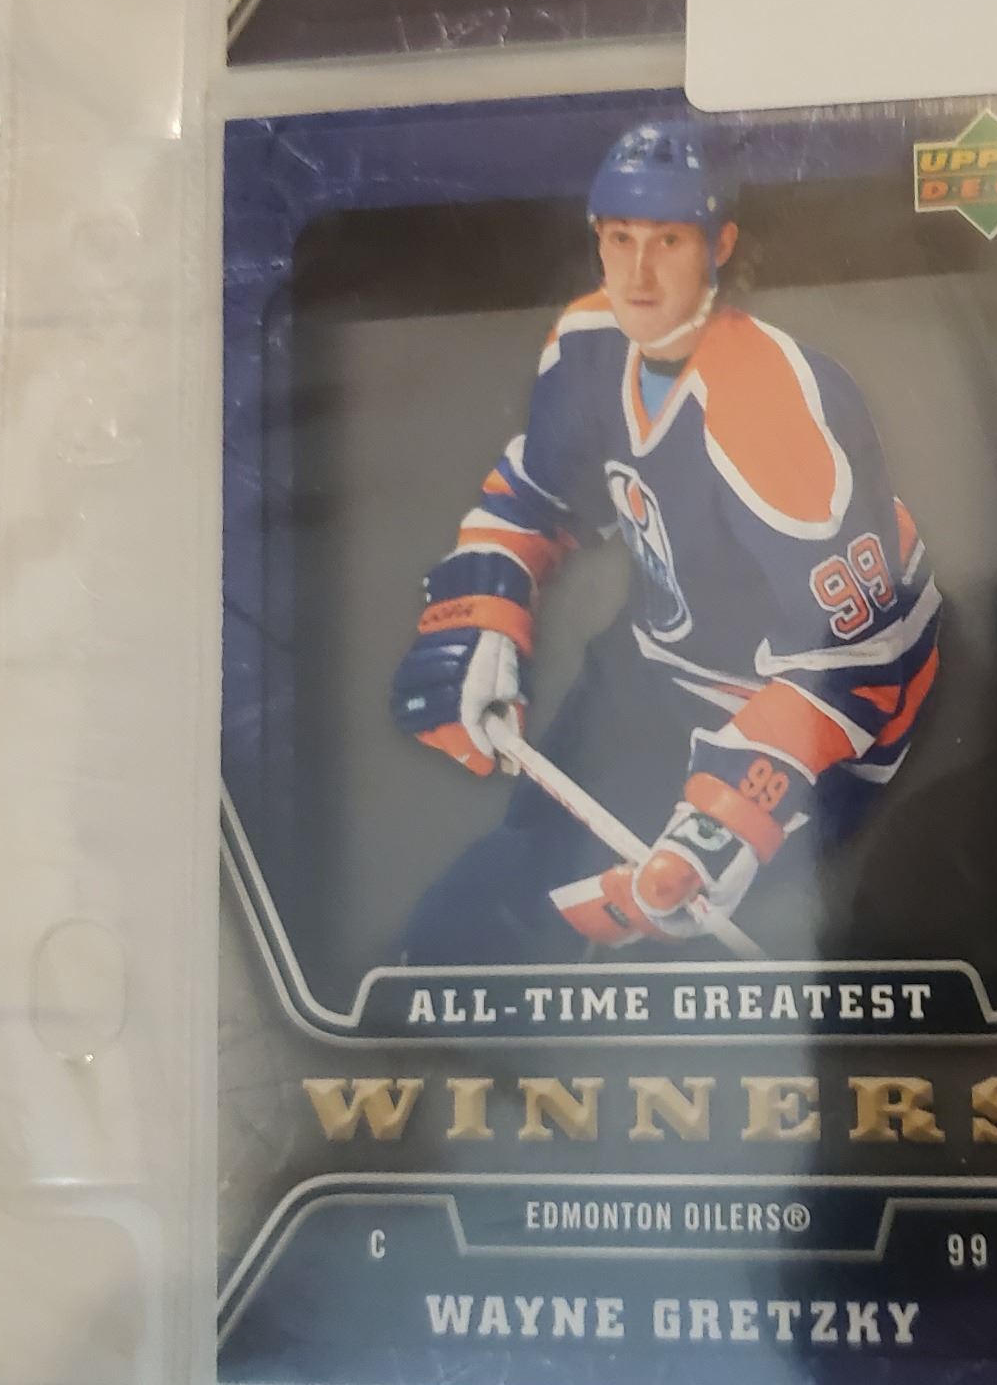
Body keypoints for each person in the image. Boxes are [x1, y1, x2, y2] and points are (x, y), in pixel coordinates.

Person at [389, 122, 941, 964]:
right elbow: (539, 493)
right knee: (513, 880)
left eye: (668, 241)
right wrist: (482, 608)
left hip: (816, 706)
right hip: (661, 659)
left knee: (678, 953)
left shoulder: (774, 409)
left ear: (719, 245)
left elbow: (860, 664)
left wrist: (730, 818)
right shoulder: (587, 343)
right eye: (620, 239)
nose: (638, 274)